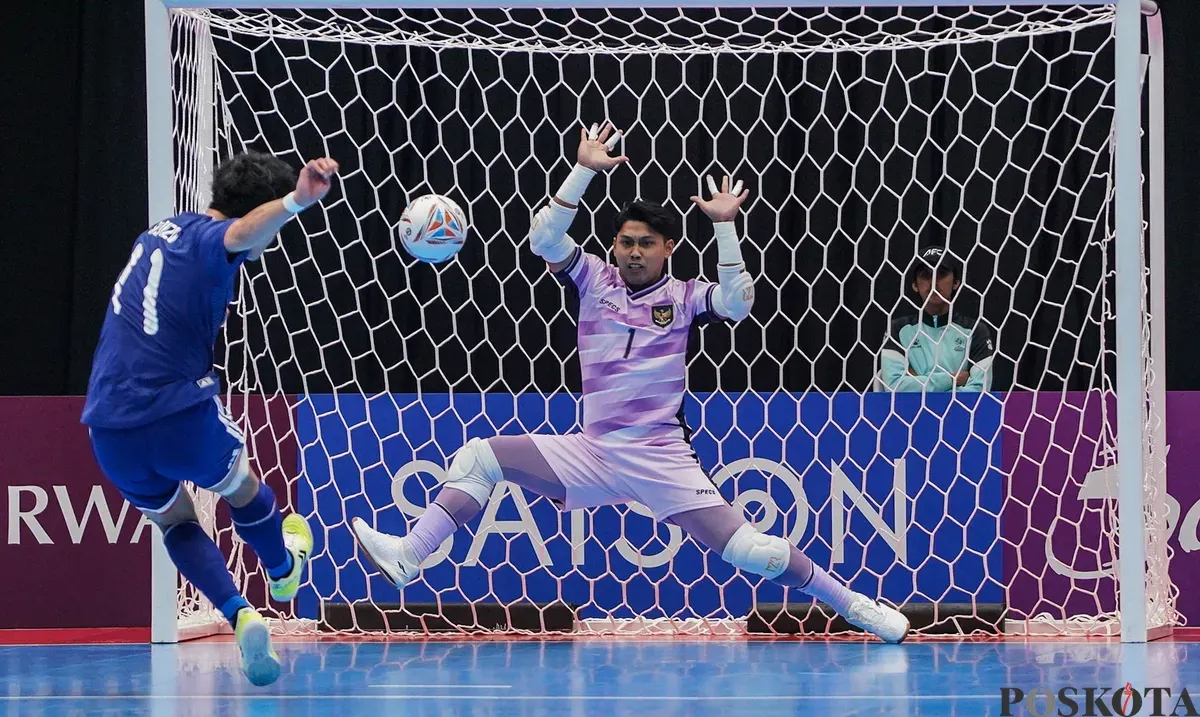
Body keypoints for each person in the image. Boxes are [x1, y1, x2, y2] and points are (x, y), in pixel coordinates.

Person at [352, 121, 909, 643]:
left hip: (660, 456)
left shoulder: (686, 297)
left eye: (645, 243)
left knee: (754, 552)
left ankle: (856, 607)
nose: (634, 252)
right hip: (593, 451)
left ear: (667, 248)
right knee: (480, 456)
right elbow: (544, 239)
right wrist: (582, 170)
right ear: (614, 245)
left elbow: (738, 303)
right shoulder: (593, 277)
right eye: (625, 242)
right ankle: (410, 554)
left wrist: (725, 225)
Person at [82, 152, 338, 685]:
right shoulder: (211, 242)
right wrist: (295, 202)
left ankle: (240, 614)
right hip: (176, 412)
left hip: (107, 425)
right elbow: (240, 234)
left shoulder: (158, 233)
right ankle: (284, 572)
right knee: (244, 488)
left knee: (174, 520)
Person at [879, 245, 994, 393]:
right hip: (912, 409)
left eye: (941, 274)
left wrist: (918, 381)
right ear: (915, 285)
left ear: (956, 283)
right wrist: (951, 379)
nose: (933, 281)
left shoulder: (975, 331)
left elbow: (980, 390)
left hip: (959, 409)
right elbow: (894, 386)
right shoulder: (897, 329)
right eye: (925, 275)